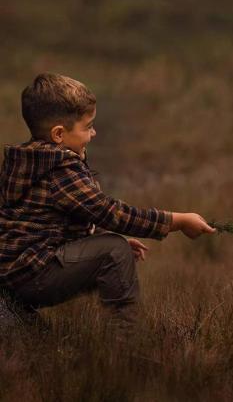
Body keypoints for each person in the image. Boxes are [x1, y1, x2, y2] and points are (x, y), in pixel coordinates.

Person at [0, 72, 216, 338]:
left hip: (17, 271)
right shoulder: (59, 168)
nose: (94, 133)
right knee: (113, 251)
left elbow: (57, 221)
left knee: (112, 245)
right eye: (87, 126)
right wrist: (177, 221)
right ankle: (127, 341)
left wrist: (98, 239)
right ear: (58, 134)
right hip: (32, 275)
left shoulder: (31, 160)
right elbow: (109, 212)